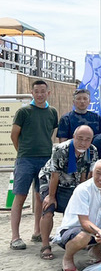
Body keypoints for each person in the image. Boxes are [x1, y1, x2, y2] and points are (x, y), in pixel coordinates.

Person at [10, 79, 59, 250]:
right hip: (25, 159)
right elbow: (14, 135)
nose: (39, 94)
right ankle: (15, 237)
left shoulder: (53, 112)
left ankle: (37, 232)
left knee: (40, 197)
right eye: (36, 91)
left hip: (46, 159)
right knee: (20, 196)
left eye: (43, 91)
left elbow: (50, 132)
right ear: (32, 92)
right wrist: (22, 151)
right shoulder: (24, 112)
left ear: (48, 93)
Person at [38, 125, 98, 260]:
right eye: (80, 138)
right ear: (74, 137)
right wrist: (51, 196)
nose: (83, 142)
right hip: (51, 180)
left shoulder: (93, 151)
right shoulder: (60, 149)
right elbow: (54, 175)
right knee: (48, 209)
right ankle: (45, 245)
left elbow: (87, 173)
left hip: (74, 182)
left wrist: (81, 195)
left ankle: (70, 239)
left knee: (79, 209)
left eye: (87, 139)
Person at [56, 159, 101, 271]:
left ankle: (95, 251)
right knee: (83, 236)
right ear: (92, 172)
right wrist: (98, 232)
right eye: (98, 173)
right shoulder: (83, 189)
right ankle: (68, 258)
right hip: (74, 229)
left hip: (98, 228)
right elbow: (84, 221)